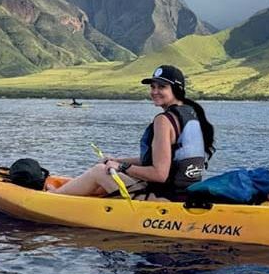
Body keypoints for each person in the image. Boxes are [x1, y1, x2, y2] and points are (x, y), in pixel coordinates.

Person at [52, 65, 216, 201]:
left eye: (162, 87)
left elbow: (159, 174)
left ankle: (53, 199)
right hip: (185, 194)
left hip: (163, 199)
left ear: (176, 90)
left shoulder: (164, 120)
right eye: (152, 86)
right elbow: (161, 160)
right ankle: (75, 193)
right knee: (107, 170)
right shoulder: (191, 113)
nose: (154, 91)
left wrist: (122, 167)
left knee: (99, 171)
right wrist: (117, 160)